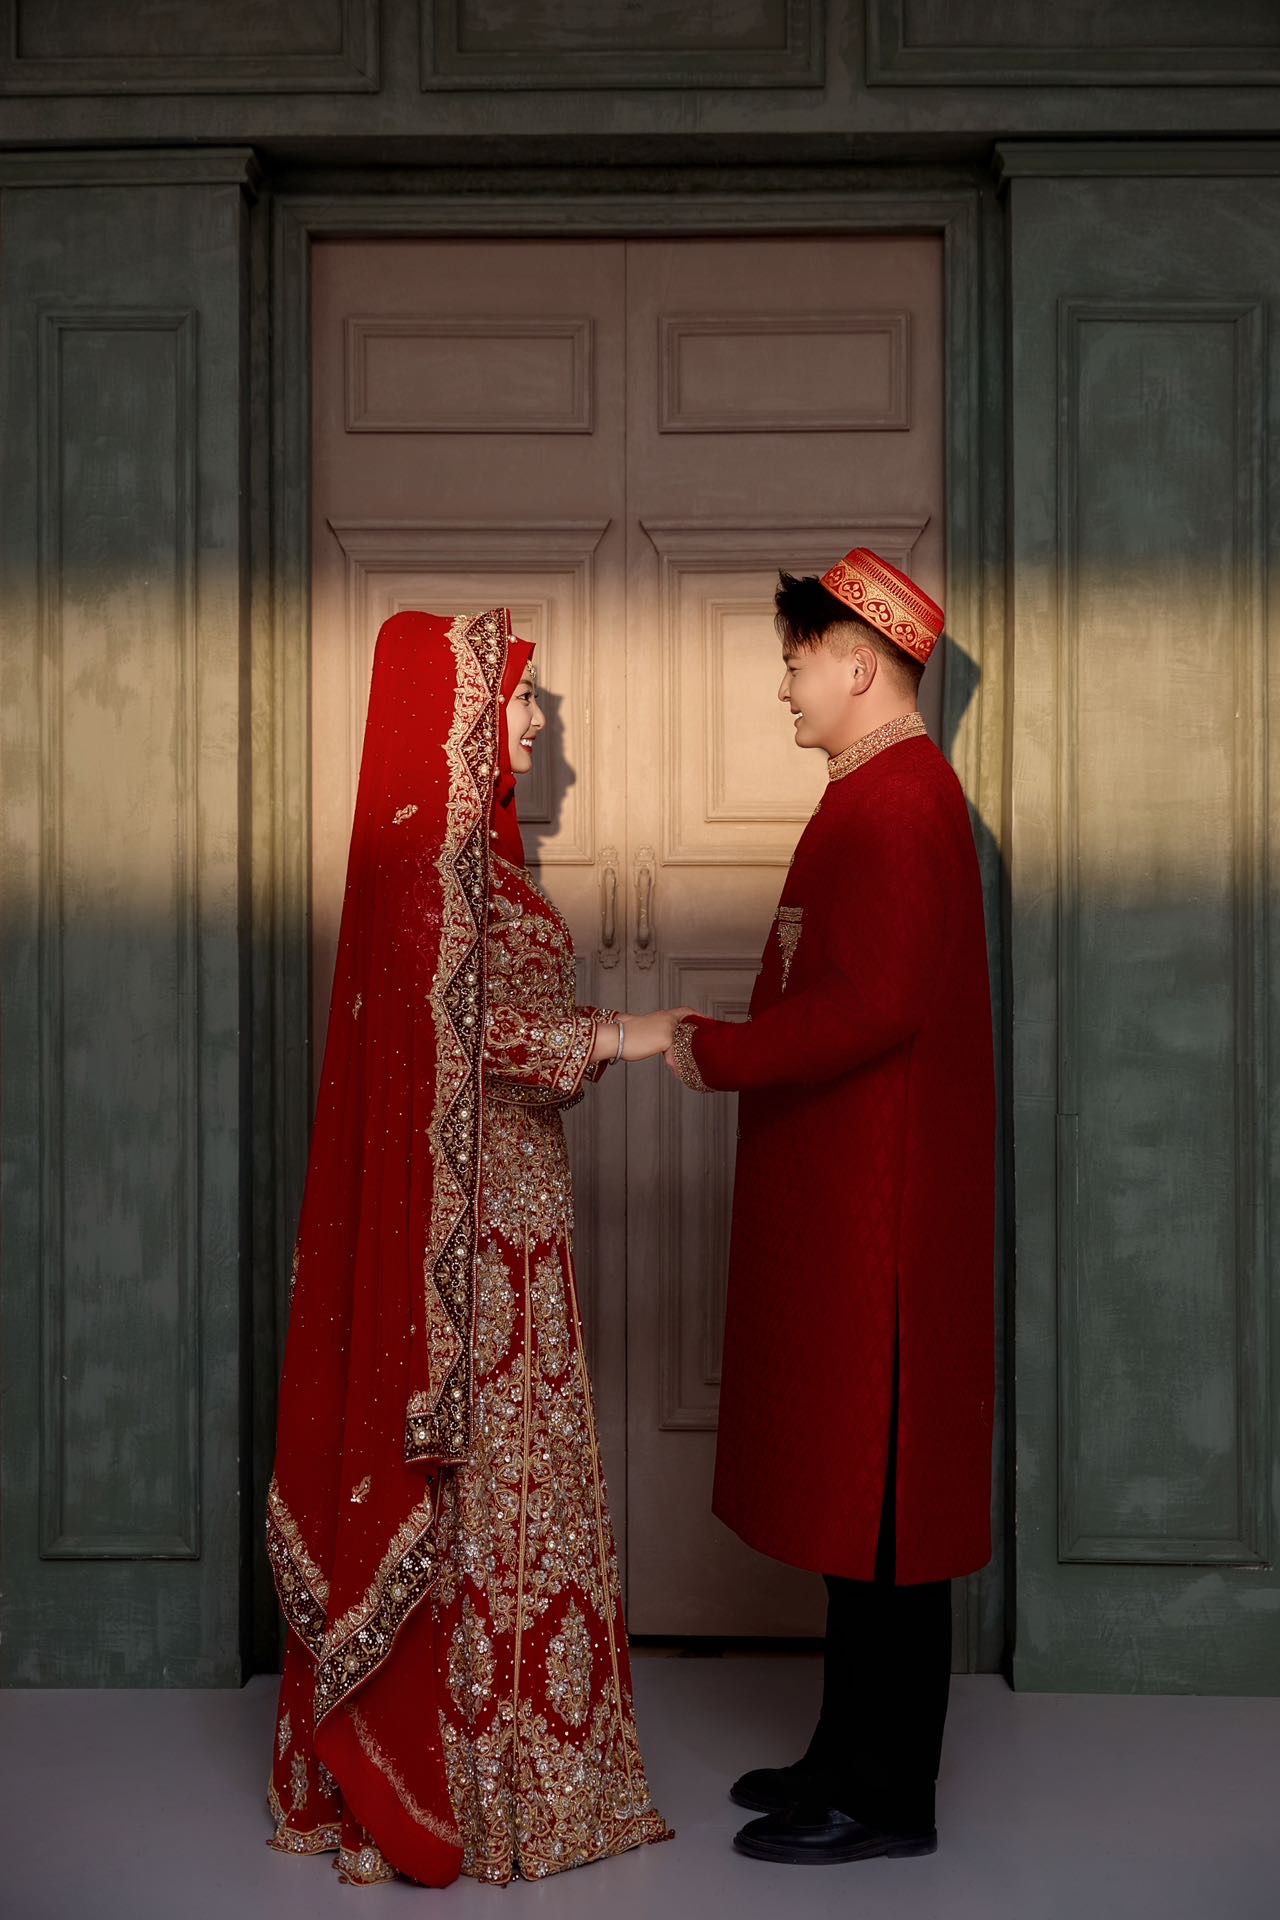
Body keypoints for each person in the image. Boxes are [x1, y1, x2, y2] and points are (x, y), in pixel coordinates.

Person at [266, 607, 683, 1886]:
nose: (538, 723)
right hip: (453, 1247)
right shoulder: (419, 871)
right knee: (477, 1480)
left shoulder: (484, 870)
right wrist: (627, 1035)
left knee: (526, 1472)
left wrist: (593, 1041)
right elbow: (476, 1033)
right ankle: (459, 1784)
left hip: (521, 1223)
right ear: (453, 714)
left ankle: (533, 1771)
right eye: (518, 696)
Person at [664, 549, 995, 1866]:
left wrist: (722, 1052)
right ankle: (844, 1752)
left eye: (798, 663)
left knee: (889, 1516)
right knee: (861, 1506)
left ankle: (889, 1796)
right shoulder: (877, 789)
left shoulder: (901, 801)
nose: (785, 687)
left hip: (886, 1221)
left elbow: (874, 1006)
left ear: (861, 664)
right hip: (858, 1201)